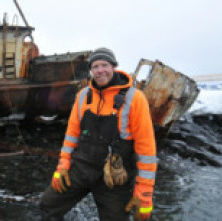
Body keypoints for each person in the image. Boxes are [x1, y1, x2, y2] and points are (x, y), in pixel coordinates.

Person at [40, 47, 157, 221]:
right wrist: (62, 166)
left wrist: (144, 192)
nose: (100, 70)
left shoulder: (135, 98)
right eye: (95, 66)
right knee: (48, 205)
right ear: (91, 70)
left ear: (114, 67)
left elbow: (146, 149)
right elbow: (71, 134)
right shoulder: (83, 96)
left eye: (104, 65)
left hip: (114, 178)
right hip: (81, 169)